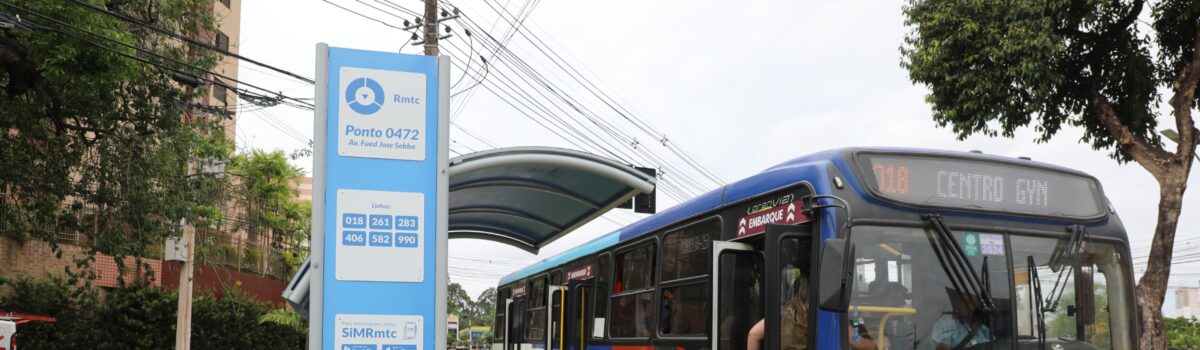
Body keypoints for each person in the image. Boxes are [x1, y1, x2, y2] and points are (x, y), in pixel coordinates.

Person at [746, 275, 878, 350]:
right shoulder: (827, 314)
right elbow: (858, 342)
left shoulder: (783, 312)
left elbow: (753, 334)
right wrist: (875, 343)